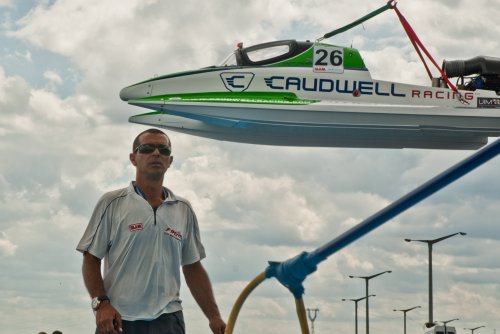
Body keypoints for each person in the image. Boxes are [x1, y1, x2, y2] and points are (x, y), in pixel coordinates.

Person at [76, 128, 226, 334]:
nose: (156, 153)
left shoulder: (183, 209)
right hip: (119, 319)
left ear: (170, 161)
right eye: (147, 148)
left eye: (163, 150)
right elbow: (91, 258)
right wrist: (101, 304)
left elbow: (193, 267)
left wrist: (214, 316)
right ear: (133, 158)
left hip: (168, 319)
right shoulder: (112, 203)